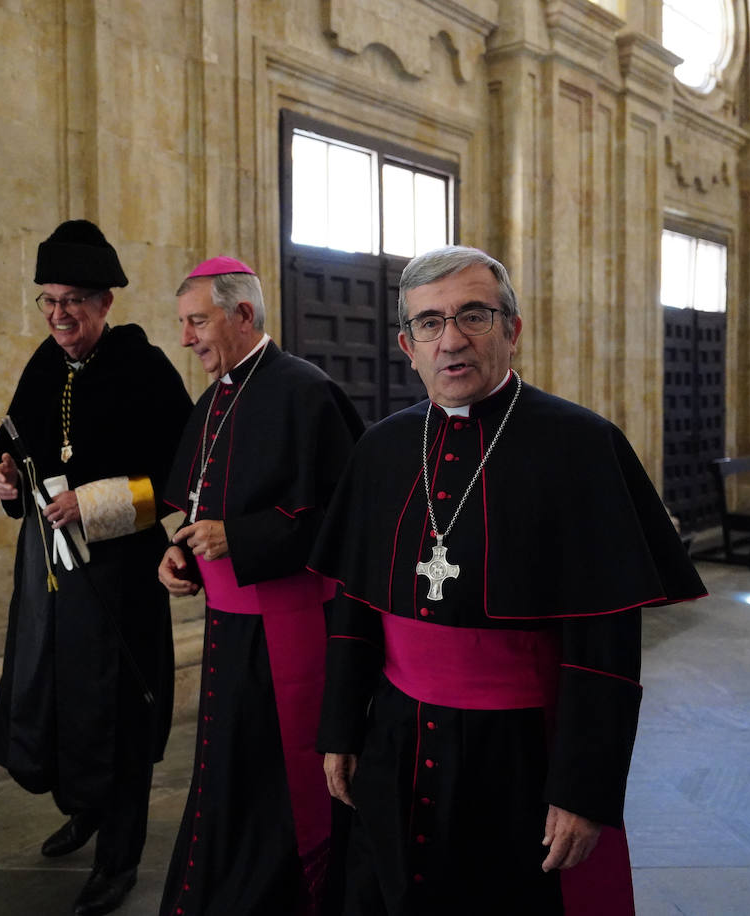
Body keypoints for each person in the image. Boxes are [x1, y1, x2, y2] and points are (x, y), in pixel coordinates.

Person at [310, 245, 707, 914]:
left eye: (474, 315)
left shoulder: (582, 446)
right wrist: (340, 730)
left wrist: (582, 788)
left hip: (520, 752)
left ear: (512, 329)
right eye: (430, 323)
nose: (452, 339)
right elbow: (352, 607)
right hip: (395, 739)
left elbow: (605, 644)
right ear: (408, 345)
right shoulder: (380, 449)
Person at [0, 219, 192, 916]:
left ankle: (120, 855)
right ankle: (86, 808)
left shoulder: (145, 367)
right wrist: (3, 477)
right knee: (61, 698)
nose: (58, 315)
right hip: (50, 576)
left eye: (73, 300)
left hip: (119, 577)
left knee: (117, 708)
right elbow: (6, 442)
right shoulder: (44, 363)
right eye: (48, 301)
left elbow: (181, 475)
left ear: (106, 303)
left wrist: (96, 503)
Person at [156, 256, 364, 916]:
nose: (186, 339)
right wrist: (181, 552)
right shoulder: (214, 399)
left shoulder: (306, 392)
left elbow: (343, 519)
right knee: (228, 771)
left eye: (196, 322)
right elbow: (202, 504)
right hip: (229, 627)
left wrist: (239, 540)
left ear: (242, 314)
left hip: (287, 631)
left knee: (276, 779)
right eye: (183, 324)